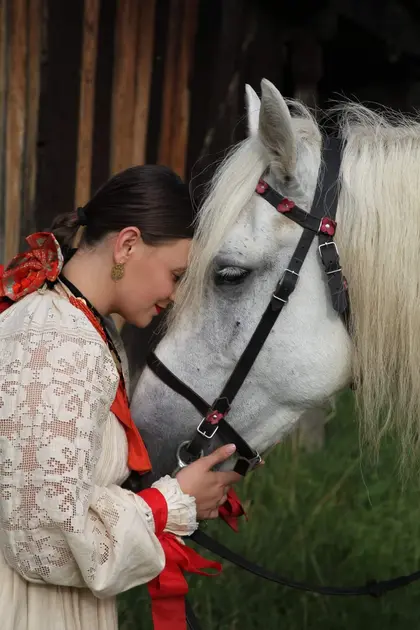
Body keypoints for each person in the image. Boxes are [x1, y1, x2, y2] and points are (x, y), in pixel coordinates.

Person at [0, 165, 242, 630]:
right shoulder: (59, 342)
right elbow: (45, 543)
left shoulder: (80, 325)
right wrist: (169, 504)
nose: (175, 295)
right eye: (176, 274)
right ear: (127, 244)